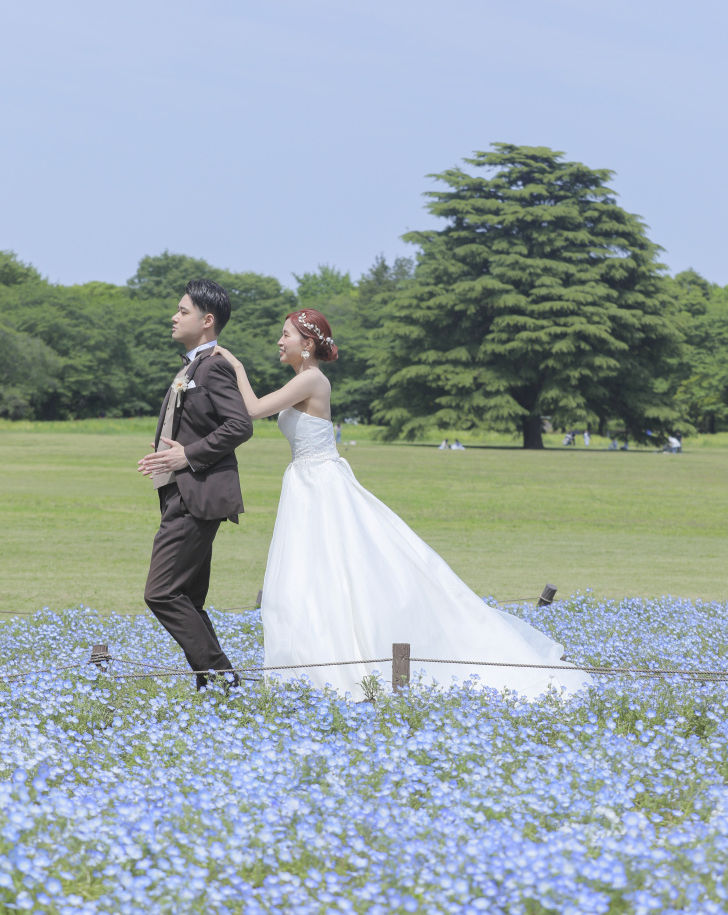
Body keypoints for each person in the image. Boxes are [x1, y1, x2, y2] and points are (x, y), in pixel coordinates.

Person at [211, 308, 592, 702]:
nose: (279, 340)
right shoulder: (302, 379)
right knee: (313, 577)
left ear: (306, 344)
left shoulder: (311, 378)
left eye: (285, 334)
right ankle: (314, 666)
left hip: (320, 486)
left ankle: (336, 669)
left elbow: (254, 409)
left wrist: (235, 365)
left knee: (331, 572)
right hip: (306, 484)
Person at [138, 279, 253, 687]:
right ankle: (215, 687)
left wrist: (186, 455)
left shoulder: (213, 365)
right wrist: (166, 455)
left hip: (196, 495)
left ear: (207, 321)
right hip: (180, 494)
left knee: (162, 592)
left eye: (182, 311)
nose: (174, 316)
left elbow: (240, 425)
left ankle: (224, 679)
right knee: (187, 597)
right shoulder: (190, 366)